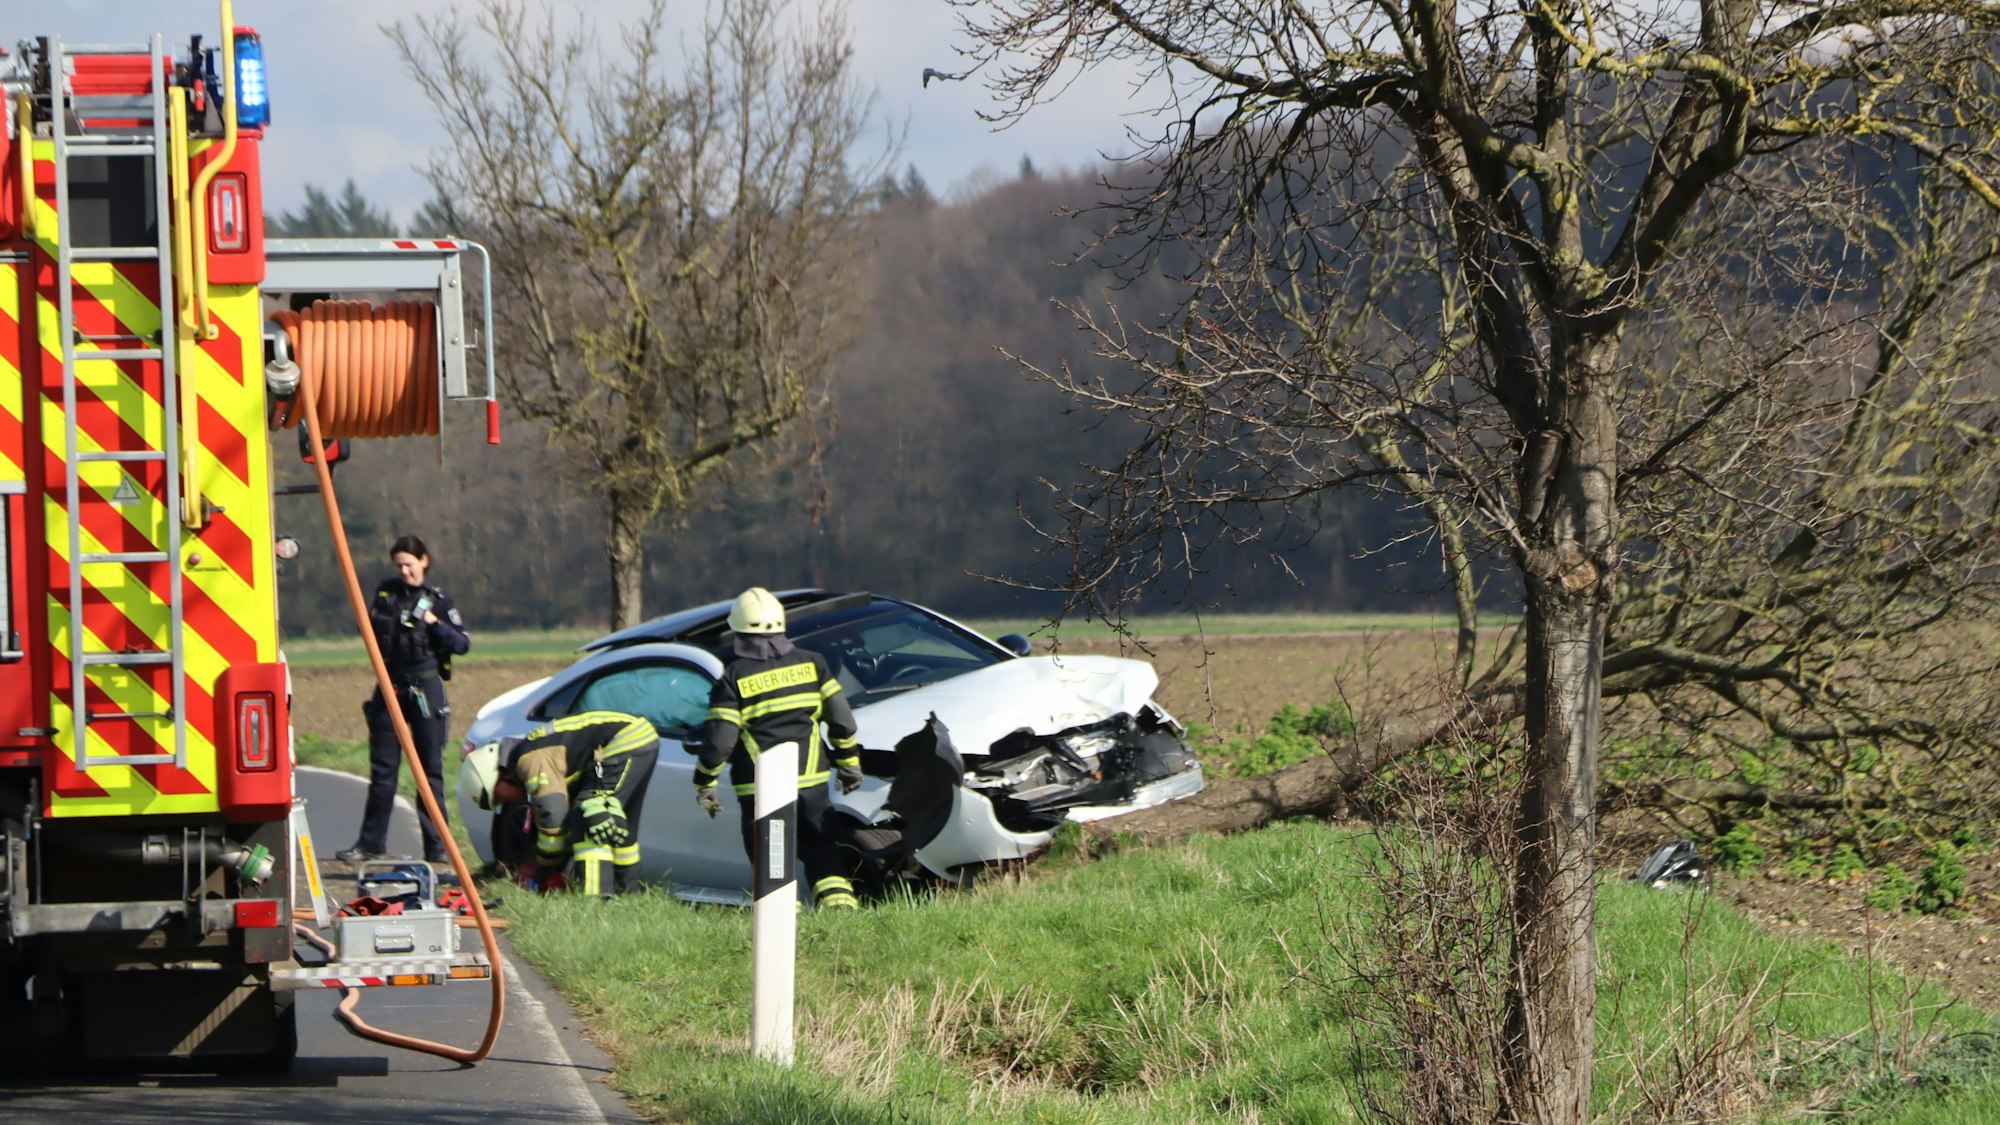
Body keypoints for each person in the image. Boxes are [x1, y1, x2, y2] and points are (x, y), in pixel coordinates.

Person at [695, 586, 865, 910]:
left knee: (773, 861)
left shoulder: (734, 676)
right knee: (823, 851)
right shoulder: (814, 663)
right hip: (812, 780)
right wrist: (849, 763)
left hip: (760, 787)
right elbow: (842, 721)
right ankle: (841, 917)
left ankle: (782, 925)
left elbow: (720, 741)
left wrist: (705, 782)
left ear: (739, 631)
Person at [337, 535, 470, 864]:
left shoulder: (437, 600)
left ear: (424, 561)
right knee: (383, 771)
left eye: (409, 564)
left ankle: (437, 846)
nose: (404, 571)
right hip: (389, 687)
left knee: (429, 772)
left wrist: (434, 625)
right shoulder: (385, 594)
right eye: (398, 565)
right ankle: (370, 844)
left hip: (425, 689)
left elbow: (462, 644)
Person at [464, 710, 660, 897]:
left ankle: (596, 899)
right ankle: (627, 893)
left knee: (588, 811)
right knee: (616, 819)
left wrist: (540, 872)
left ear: (499, 777)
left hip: (626, 739)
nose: (505, 802)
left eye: (498, 798)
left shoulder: (529, 761)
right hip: (641, 736)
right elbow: (561, 821)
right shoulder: (531, 753)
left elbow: (554, 816)